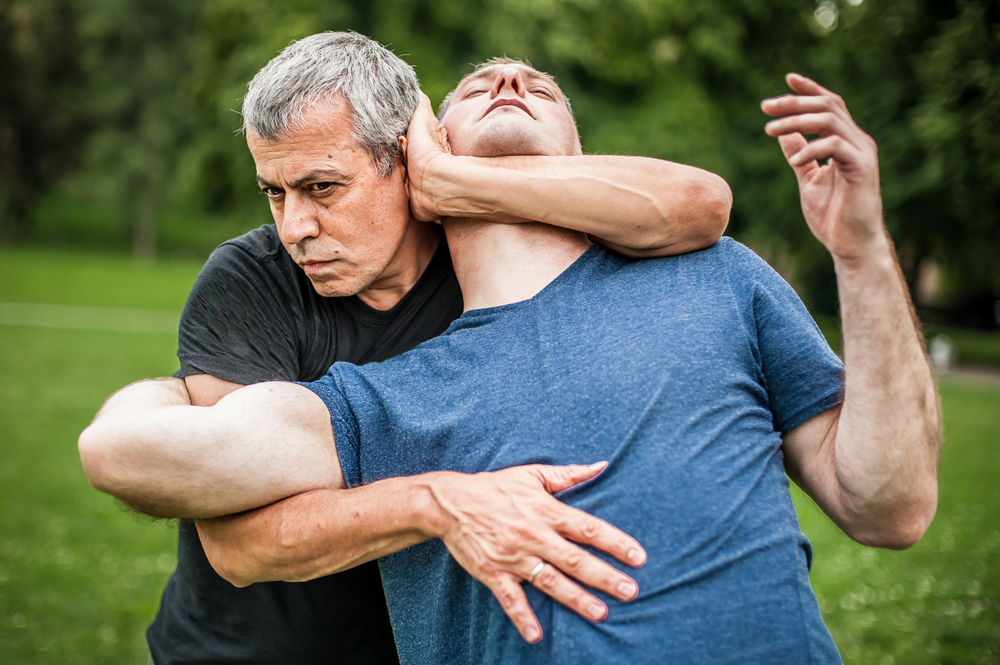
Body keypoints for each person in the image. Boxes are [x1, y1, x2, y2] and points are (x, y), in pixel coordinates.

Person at [80, 55, 941, 664]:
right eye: (477, 84)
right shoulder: (390, 394)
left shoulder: (719, 280)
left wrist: (862, 250)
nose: (509, 81)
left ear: (582, 159)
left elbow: (891, 509)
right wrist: (435, 499)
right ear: (426, 148)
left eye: (541, 86)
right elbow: (128, 457)